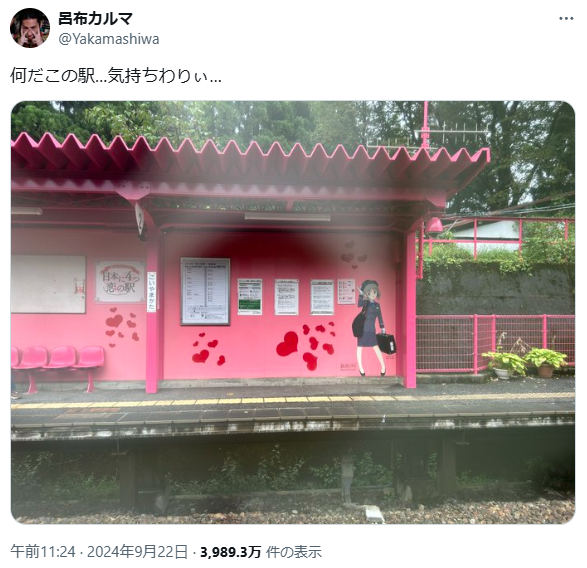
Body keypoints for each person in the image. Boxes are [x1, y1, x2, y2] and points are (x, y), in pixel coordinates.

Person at [356, 279, 386, 377]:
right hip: (363, 329)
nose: (372, 294)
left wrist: (382, 327)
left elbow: (380, 316)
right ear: (366, 293)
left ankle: (383, 367)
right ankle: (361, 368)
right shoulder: (365, 303)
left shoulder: (377, 305)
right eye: (369, 292)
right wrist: (361, 294)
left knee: (376, 347)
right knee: (359, 347)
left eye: (374, 292)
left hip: (372, 329)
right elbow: (359, 304)